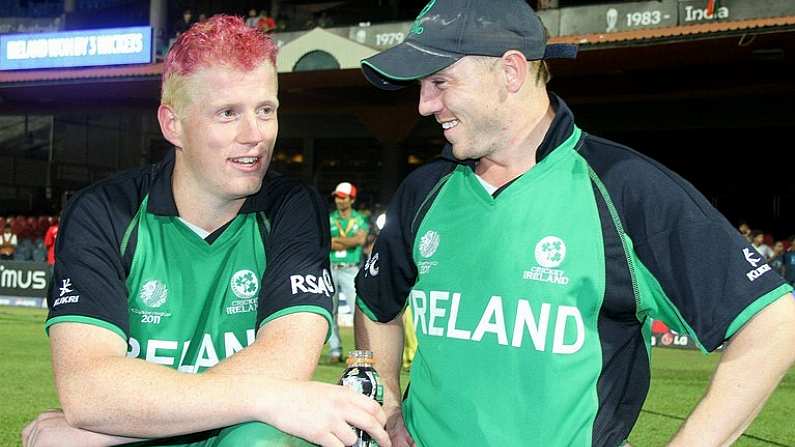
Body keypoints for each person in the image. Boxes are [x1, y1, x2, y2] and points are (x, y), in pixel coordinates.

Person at [353, 1, 795, 446]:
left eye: (439, 82)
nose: (425, 105)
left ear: (511, 71)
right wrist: (387, 398)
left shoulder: (625, 188)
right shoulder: (425, 190)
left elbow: (776, 321)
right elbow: (375, 306)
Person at [22, 15, 388, 447]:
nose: (255, 135)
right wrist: (262, 397)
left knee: (259, 440)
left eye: (265, 110)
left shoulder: (292, 207)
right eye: (227, 113)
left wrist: (116, 431)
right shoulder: (105, 211)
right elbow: (90, 390)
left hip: (218, 434)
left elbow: (287, 362)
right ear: (172, 124)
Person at [327, 181, 369, 362]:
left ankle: (359, 352)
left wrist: (338, 240)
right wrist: (348, 240)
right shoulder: (330, 218)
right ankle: (335, 351)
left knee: (357, 312)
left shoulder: (360, 219)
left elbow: (360, 241)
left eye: (342, 197)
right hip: (331, 268)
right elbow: (327, 242)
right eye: (337, 196)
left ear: (351, 200)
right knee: (331, 311)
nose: (338, 200)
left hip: (351, 269)